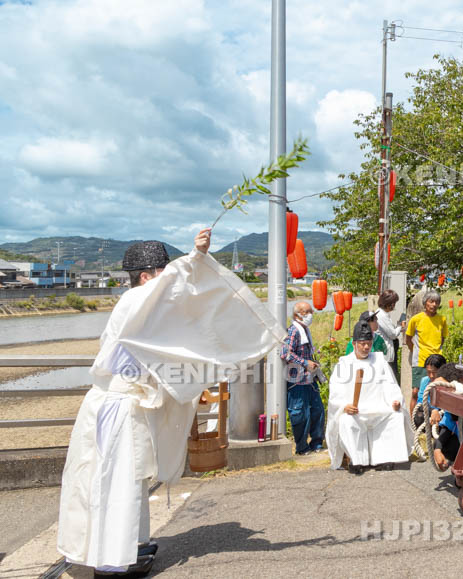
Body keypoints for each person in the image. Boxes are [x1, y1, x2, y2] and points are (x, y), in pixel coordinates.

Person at [58, 230, 283, 576]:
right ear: (146, 278)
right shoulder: (136, 303)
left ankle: (127, 548)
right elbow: (173, 291)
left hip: (120, 406)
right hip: (118, 408)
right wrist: (194, 257)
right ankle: (112, 562)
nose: (166, 284)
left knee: (121, 483)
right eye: (161, 274)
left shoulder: (144, 313)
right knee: (116, 485)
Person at [326, 320, 414, 474]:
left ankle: (385, 458)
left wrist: (395, 401)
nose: (366, 347)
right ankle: (356, 460)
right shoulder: (344, 364)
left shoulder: (379, 361)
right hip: (357, 411)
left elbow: (391, 385)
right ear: (354, 344)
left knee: (395, 416)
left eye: (368, 343)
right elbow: (335, 391)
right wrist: (344, 406)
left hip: (380, 408)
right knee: (346, 421)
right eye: (362, 344)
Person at [281, 300, 326, 455]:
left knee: (317, 411)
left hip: (310, 379)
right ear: (297, 315)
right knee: (299, 414)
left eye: (311, 311)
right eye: (307, 312)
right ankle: (302, 447)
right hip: (297, 380)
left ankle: (316, 443)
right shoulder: (294, 330)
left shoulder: (305, 330)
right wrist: (305, 362)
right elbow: (285, 353)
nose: (311, 315)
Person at [405, 291, 448, 393]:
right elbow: (408, 339)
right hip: (420, 361)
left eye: (437, 302)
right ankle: (414, 410)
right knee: (416, 391)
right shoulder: (416, 319)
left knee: (436, 391)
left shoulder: (442, 319)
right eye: (431, 301)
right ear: (425, 303)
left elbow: (442, 339)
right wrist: (415, 351)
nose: (434, 305)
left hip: (437, 362)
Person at [430, 363, 463, 470]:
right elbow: (448, 424)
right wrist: (437, 449)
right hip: (460, 435)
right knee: (441, 445)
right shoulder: (451, 399)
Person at [374, 289, 402, 379]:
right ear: (389, 303)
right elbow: (393, 334)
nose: (394, 306)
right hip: (385, 353)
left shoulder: (383, 314)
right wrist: (400, 325)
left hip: (386, 351)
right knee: (390, 378)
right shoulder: (381, 316)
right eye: (394, 303)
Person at [414, 353, 447, 426]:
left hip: (444, 412)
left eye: (435, 372)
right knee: (418, 416)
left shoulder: (448, 382)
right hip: (429, 410)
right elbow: (420, 400)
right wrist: (433, 409)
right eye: (429, 372)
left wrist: (437, 410)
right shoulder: (425, 380)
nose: (431, 375)